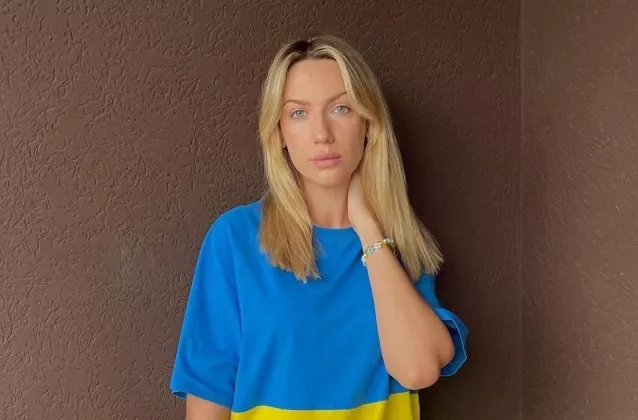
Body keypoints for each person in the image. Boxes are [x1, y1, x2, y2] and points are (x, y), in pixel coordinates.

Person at [169, 33, 468, 420]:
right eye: (298, 113)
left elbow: (417, 369)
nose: (322, 134)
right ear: (279, 132)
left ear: (368, 124)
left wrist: (368, 228)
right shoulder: (236, 240)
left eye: (341, 108)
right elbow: (208, 395)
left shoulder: (399, 243)